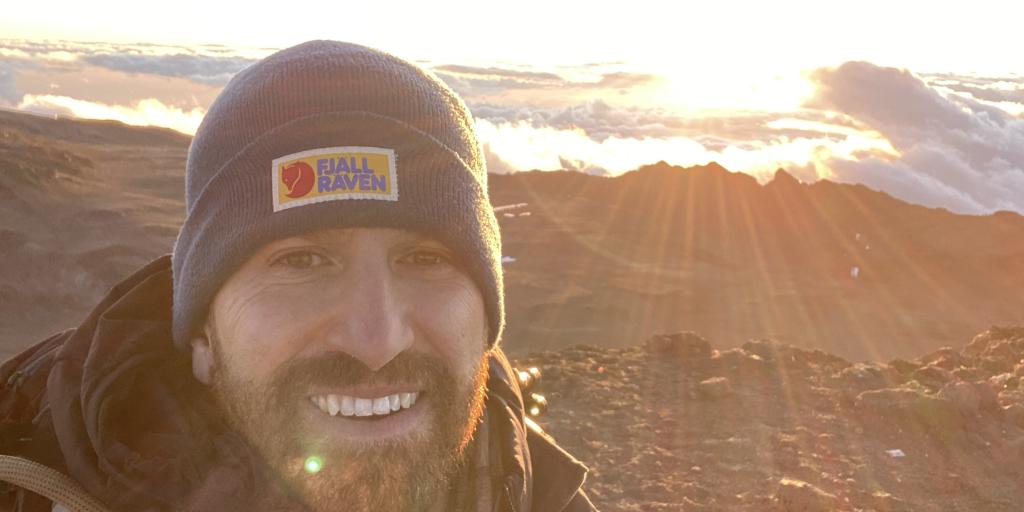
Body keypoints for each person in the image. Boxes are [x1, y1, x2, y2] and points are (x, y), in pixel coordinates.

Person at [0, 40, 597, 512]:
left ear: (487, 320)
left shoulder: (539, 495)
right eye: (302, 261)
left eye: (427, 259)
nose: (376, 341)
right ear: (203, 335)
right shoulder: (25, 485)